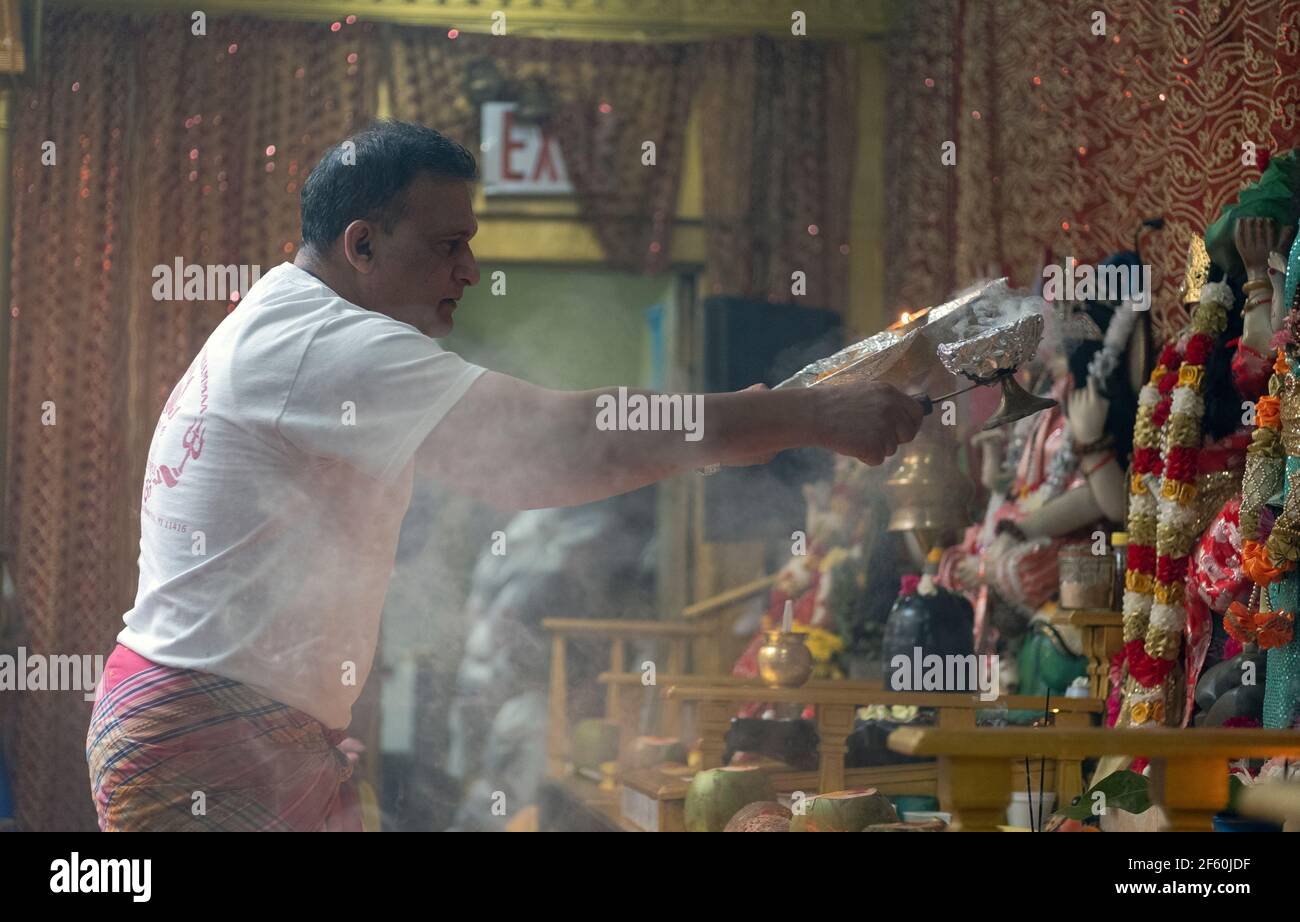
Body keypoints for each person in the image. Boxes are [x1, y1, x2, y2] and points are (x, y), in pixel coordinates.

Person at [85, 119, 923, 831]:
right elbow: (557, 444)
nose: (471, 272)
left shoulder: (290, 322)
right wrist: (800, 416)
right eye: (449, 246)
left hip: (227, 723)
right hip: (205, 736)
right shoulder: (321, 340)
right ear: (363, 244)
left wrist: (755, 417)